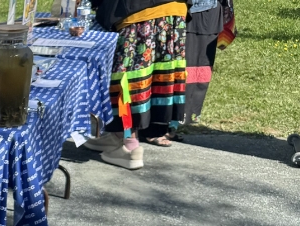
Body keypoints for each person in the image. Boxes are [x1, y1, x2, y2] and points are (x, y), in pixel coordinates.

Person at [86, 0, 188, 168]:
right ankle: (117, 135)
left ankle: (129, 145)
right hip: (173, 9)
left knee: (128, 78)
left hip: (136, 10)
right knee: (156, 73)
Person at [140, 0, 228, 145]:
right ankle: (153, 127)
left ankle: (172, 124)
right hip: (182, 12)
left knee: (198, 72)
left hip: (209, 11)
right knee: (171, 70)